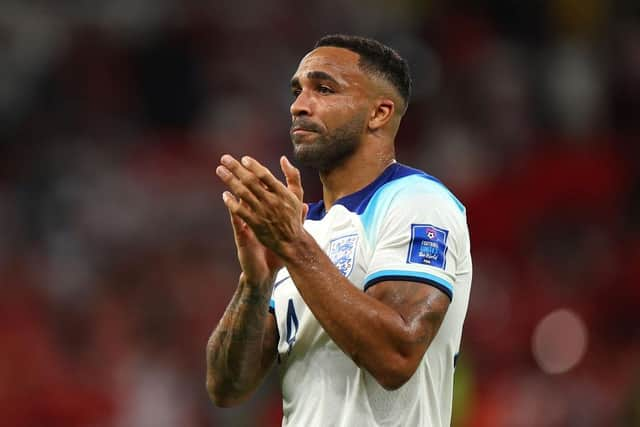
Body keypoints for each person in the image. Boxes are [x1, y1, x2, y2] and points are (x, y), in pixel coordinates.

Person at [206, 34, 472, 427]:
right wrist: (256, 281)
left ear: (379, 113)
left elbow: (396, 356)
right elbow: (226, 388)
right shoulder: (302, 228)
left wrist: (294, 246)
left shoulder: (417, 201)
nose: (298, 106)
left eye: (324, 89)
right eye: (297, 91)